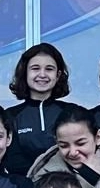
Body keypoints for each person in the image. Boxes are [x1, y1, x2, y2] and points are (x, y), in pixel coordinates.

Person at [5, 42, 79, 175]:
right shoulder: (10, 115)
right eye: (35, 68)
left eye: (49, 69)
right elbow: (12, 160)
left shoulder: (73, 112)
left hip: (68, 182)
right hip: (24, 184)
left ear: (58, 75)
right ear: (25, 73)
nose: (42, 74)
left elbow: (81, 152)